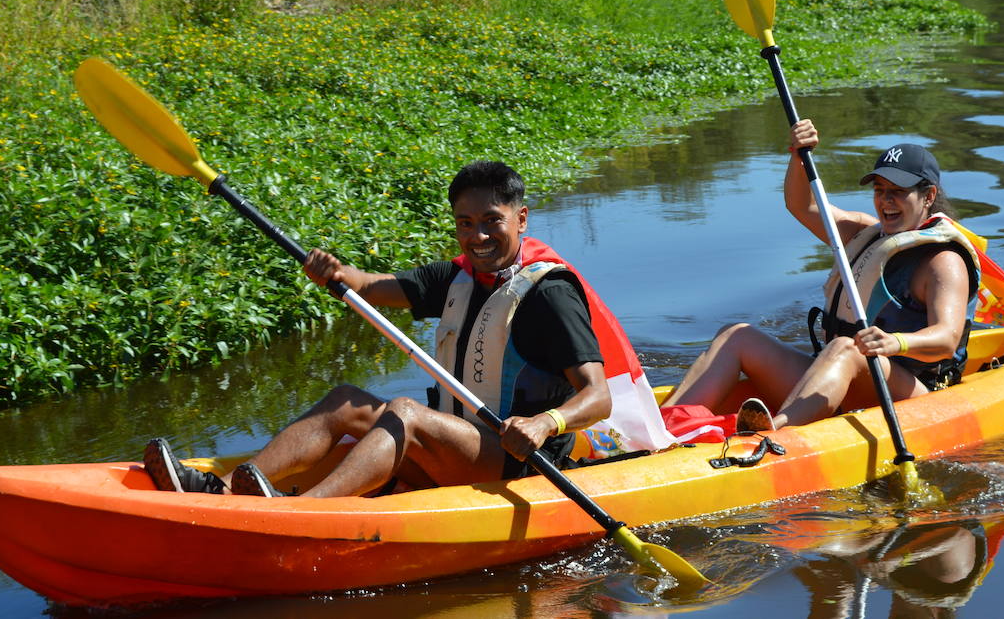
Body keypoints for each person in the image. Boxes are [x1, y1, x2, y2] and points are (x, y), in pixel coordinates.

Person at [144, 160, 678, 497]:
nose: (478, 235)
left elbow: (597, 396)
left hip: (519, 464)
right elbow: (376, 286)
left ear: (521, 219)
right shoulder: (456, 277)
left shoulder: (550, 295)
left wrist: (544, 424)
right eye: (465, 223)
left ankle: (301, 514)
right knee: (347, 399)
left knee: (404, 412)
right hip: (459, 446)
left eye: (492, 220)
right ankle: (221, 492)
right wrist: (336, 273)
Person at [663, 119, 980, 431]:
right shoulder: (863, 232)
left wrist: (894, 343)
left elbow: (946, 340)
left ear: (928, 196)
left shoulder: (943, 261)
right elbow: (803, 205)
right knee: (737, 336)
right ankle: (662, 430)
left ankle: (776, 434)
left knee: (846, 347)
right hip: (841, 375)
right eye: (880, 190)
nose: (885, 201)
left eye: (898, 192)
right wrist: (799, 155)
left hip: (913, 394)